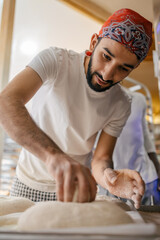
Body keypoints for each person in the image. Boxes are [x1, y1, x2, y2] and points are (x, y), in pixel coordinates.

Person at [0, 8, 152, 209]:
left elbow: (101, 159)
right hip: (27, 185)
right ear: (93, 42)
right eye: (106, 57)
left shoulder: (121, 103)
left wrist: (109, 179)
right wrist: (53, 156)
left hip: (77, 192)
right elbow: (7, 101)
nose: (107, 74)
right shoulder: (55, 61)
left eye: (123, 68)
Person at [98, 90, 160, 205]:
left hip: (146, 177)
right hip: (113, 179)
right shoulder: (94, 103)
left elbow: (145, 137)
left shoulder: (139, 99)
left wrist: (157, 167)